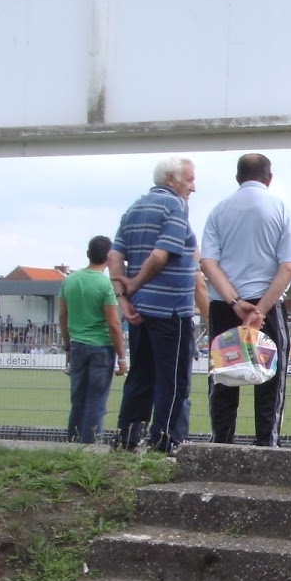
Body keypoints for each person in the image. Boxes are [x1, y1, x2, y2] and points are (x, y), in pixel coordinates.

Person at [200, 153, 291, 447]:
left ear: (237, 178)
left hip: (225, 304)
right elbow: (288, 266)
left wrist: (234, 301)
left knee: (223, 375)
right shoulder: (282, 209)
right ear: (269, 178)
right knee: (271, 375)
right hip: (265, 304)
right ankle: (267, 444)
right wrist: (262, 309)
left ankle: (221, 442)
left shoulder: (219, 211)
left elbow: (208, 262)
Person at [110, 156, 199, 454]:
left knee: (140, 376)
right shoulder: (175, 207)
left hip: (139, 310)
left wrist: (125, 297)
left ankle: (127, 438)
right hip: (170, 308)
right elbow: (162, 255)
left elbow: (114, 255)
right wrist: (134, 285)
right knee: (173, 380)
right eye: (189, 180)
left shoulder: (134, 207)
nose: (193, 187)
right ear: (172, 179)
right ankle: (166, 442)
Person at [57, 234, 128, 443]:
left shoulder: (69, 281)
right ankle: (90, 447)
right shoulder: (106, 285)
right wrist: (122, 357)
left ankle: (72, 444)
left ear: (88, 254)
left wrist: (68, 347)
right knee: (96, 402)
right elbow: (114, 324)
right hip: (102, 348)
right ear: (109, 257)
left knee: (77, 401)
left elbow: (63, 317)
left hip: (77, 346)